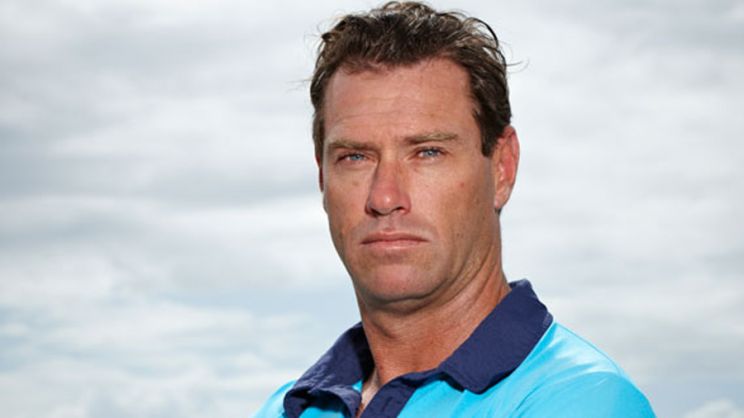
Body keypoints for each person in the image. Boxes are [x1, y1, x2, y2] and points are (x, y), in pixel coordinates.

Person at [253, 2, 655, 417]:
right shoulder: (286, 408)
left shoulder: (583, 400)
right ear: (322, 177)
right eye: (355, 157)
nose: (384, 198)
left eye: (427, 152)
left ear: (502, 167)